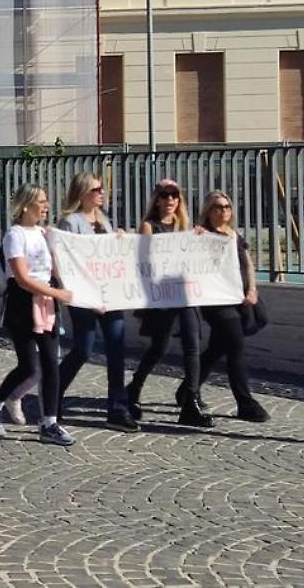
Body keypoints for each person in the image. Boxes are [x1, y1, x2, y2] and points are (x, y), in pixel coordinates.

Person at [0, 184, 76, 447]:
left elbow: (55, 269)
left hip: (46, 303)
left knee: (50, 363)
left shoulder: (44, 234)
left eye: (46, 201)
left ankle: (49, 423)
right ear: (26, 206)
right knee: (28, 366)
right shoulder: (15, 235)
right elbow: (22, 278)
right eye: (41, 201)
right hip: (22, 304)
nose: (46, 206)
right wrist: (56, 293)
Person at [56, 171, 138, 433]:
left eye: (102, 189)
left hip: (108, 294)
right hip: (83, 296)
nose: (102, 193)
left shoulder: (104, 220)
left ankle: (117, 408)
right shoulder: (71, 222)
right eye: (96, 189)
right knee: (83, 348)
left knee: (116, 348)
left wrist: (120, 240)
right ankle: (53, 394)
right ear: (82, 193)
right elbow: (67, 260)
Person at [126, 179, 213, 427]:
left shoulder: (185, 226)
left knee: (192, 344)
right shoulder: (149, 227)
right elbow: (142, 261)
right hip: (162, 295)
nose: (170, 200)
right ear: (156, 200)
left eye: (174, 196)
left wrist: (200, 239)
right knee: (159, 347)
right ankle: (135, 387)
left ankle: (191, 400)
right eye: (164, 195)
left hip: (184, 293)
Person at [184, 191, 270, 423]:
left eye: (227, 207)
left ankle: (187, 390)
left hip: (239, 298)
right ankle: (245, 402)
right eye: (218, 207)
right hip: (216, 302)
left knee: (216, 349)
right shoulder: (202, 235)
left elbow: (247, 265)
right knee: (236, 347)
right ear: (208, 211)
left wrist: (252, 289)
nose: (224, 211)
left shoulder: (234, 235)